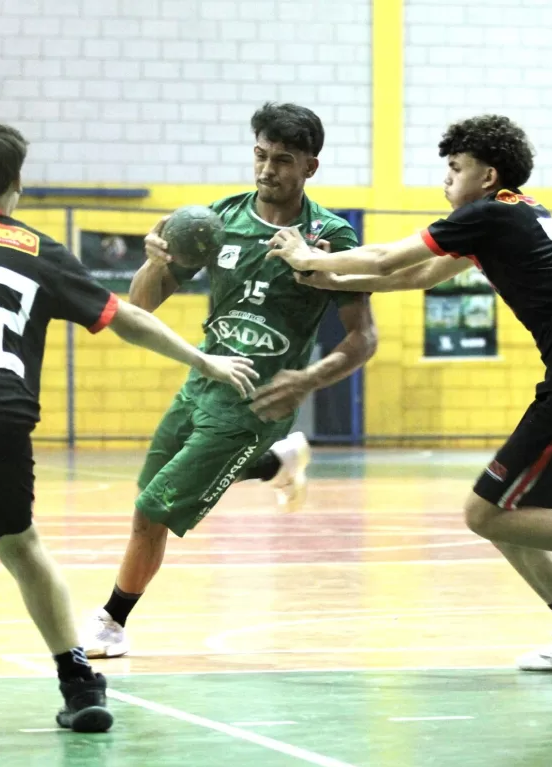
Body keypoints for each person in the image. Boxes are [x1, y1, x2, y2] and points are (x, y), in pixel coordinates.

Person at [0, 122, 259, 731]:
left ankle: (79, 679)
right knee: (21, 546)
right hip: (2, 419)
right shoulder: (42, 251)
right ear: (17, 184)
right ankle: (80, 684)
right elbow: (128, 319)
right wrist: (203, 358)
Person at [267, 114, 552, 672]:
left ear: (487, 176)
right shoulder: (514, 215)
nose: (446, 180)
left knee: (486, 513)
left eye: (455, 168)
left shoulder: (490, 215)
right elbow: (413, 277)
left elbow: (388, 258)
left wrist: (309, 257)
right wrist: (333, 281)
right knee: (507, 514)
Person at [83, 103, 377, 658]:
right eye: (261, 156)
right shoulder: (216, 220)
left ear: (310, 167)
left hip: (259, 400)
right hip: (204, 382)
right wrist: (151, 259)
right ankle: (279, 463)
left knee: (155, 508)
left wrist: (307, 380)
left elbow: (362, 339)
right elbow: (140, 307)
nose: (268, 170)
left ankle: (110, 623)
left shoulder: (330, 237)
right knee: (147, 503)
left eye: (284, 160)